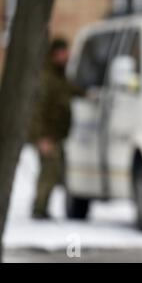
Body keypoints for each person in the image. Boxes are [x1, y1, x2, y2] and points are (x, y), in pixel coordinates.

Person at [29, 38, 85, 219]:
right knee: (49, 173)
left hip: (56, 135)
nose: (67, 56)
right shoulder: (46, 78)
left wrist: (87, 94)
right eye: (64, 52)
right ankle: (39, 208)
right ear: (55, 54)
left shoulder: (59, 76)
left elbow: (70, 89)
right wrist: (41, 138)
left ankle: (42, 207)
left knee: (54, 172)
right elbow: (38, 110)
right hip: (48, 136)